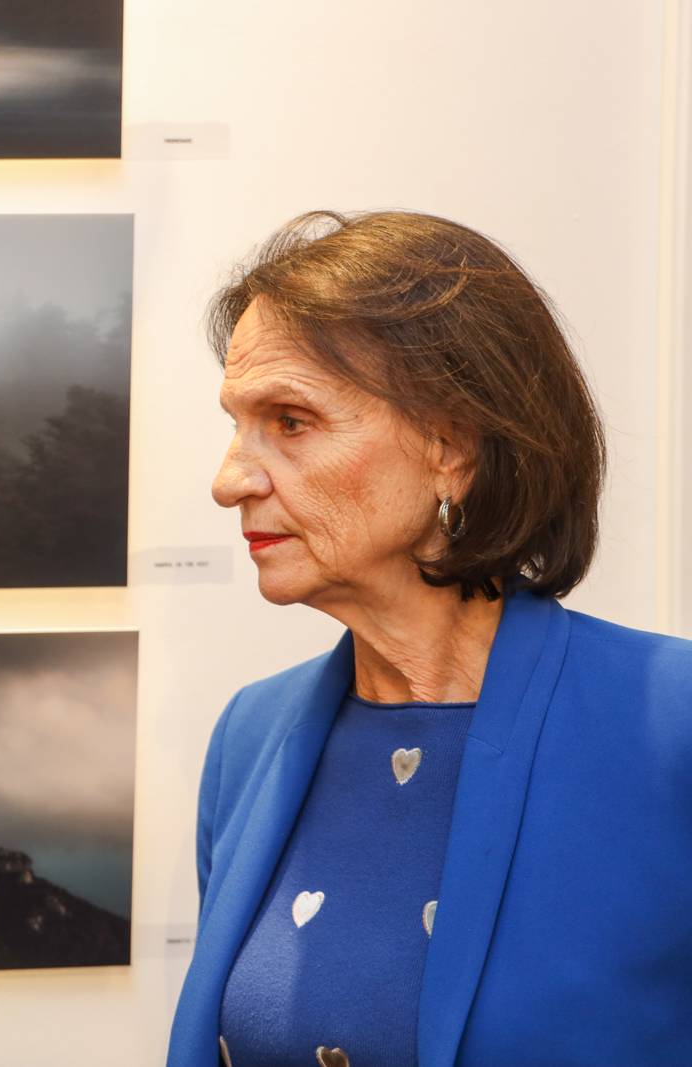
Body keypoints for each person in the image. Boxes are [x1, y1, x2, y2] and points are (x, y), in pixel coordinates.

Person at [168, 210, 692, 1066]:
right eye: (237, 424)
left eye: (291, 421)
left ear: (451, 447)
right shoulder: (249, 736)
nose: (230, 480)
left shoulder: (670, 724)